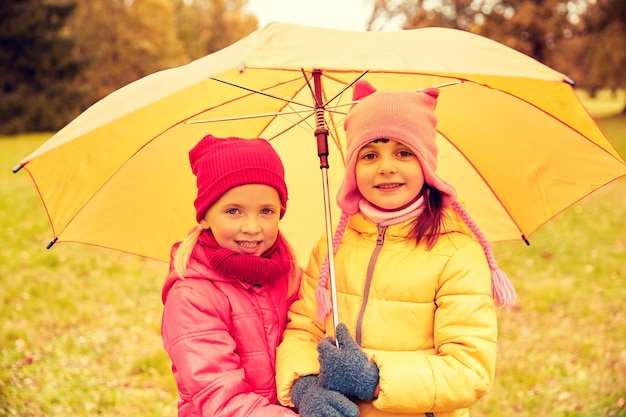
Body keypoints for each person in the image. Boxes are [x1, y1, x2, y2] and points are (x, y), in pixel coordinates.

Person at [275, 80, 517, 417]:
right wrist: (305, 386)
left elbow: (469, 371)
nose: (386, 166)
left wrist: (373, 380)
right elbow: (303, 327)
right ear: (352, 169)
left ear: (426, 164)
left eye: (403, 152)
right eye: (370, 154)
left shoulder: (457, 253)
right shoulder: (332, 246)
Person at [161, 134, 303, 417]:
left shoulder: (291, 277)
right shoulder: (193, 297)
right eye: (234, 211)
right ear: (204, 216)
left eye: (266, 211)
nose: (252, 227)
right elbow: (218, 395)